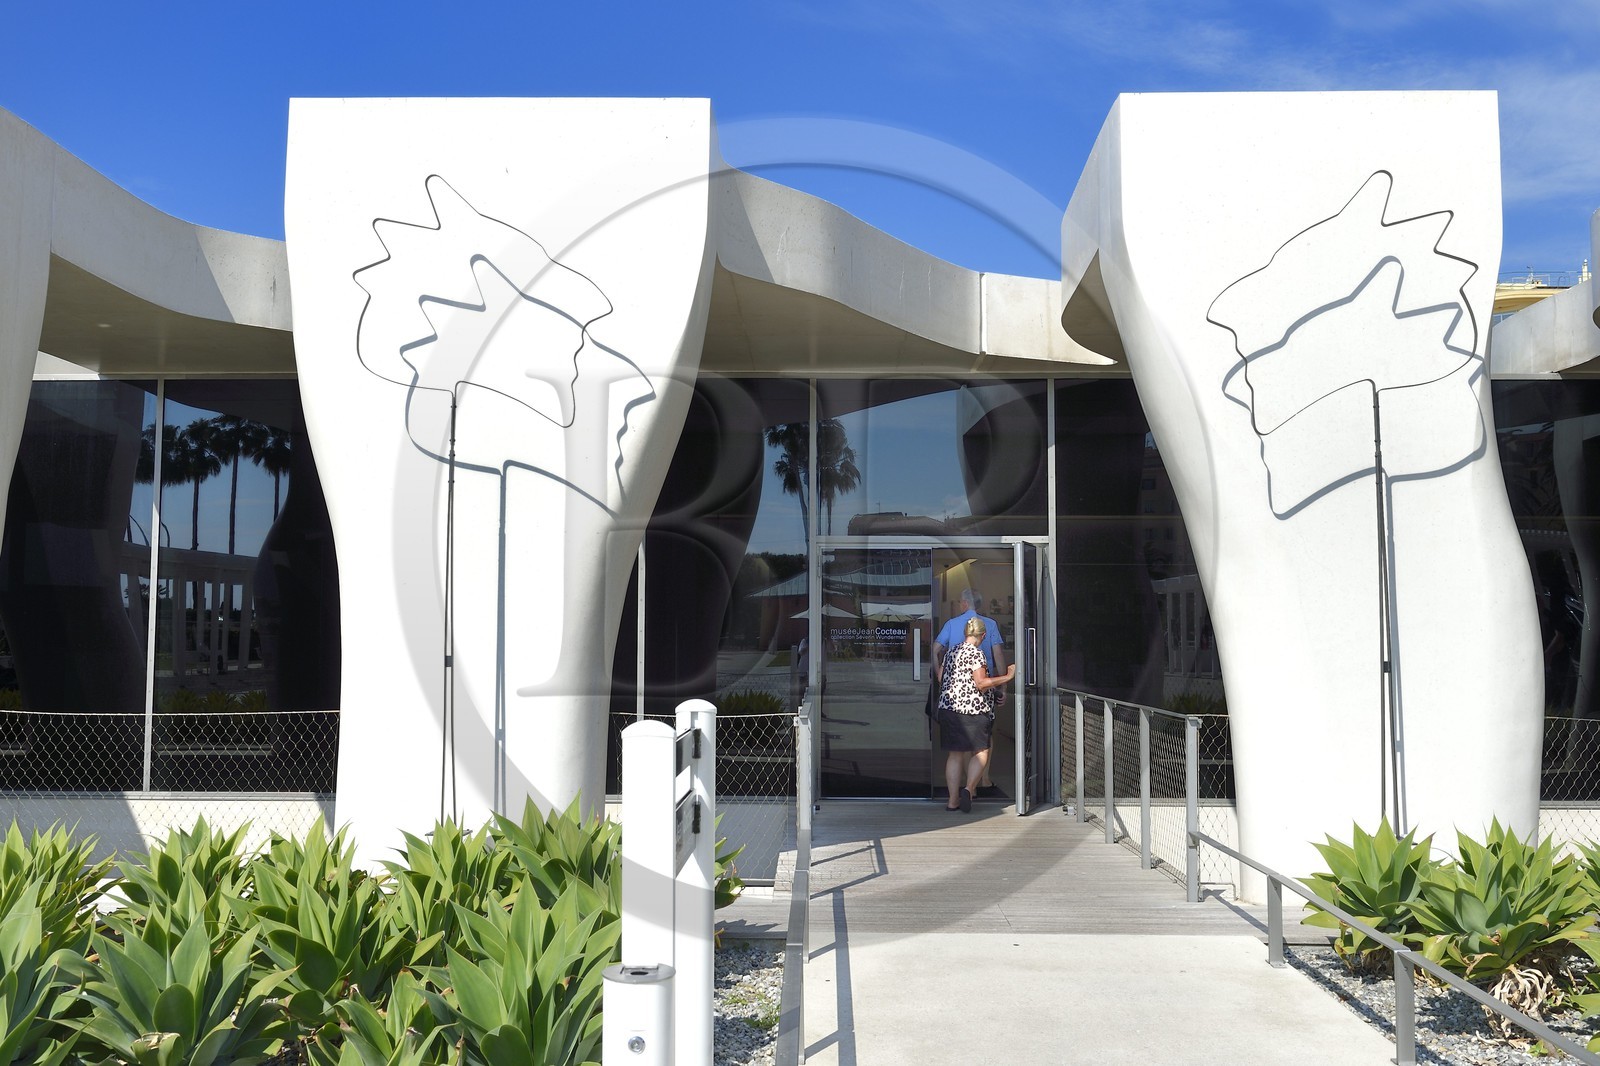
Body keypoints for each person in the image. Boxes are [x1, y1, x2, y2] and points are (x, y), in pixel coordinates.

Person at [937, 615, 1016, 811]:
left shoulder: (951, 652)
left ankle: (952, 801)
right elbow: (981, 683)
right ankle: (969, 788)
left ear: (966, 633)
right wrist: (1007, 676)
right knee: (982, 751)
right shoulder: (976, 653)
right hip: (973, 710)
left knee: (954, 755)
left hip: (949, 709)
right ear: (982, 635)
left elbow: (941, 678)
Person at [931, 587, 1008, 786]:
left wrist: (939, 672)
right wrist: (1004, 687)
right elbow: (999, 656)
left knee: (960, 744)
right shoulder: (989, 624)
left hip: (955, 695)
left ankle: (967, 784)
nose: (959, 605)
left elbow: (936, 648)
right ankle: (983, 779)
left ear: (964, 603)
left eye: (959, 602)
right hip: (983, 692)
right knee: (986, 736)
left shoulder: (951, 624)